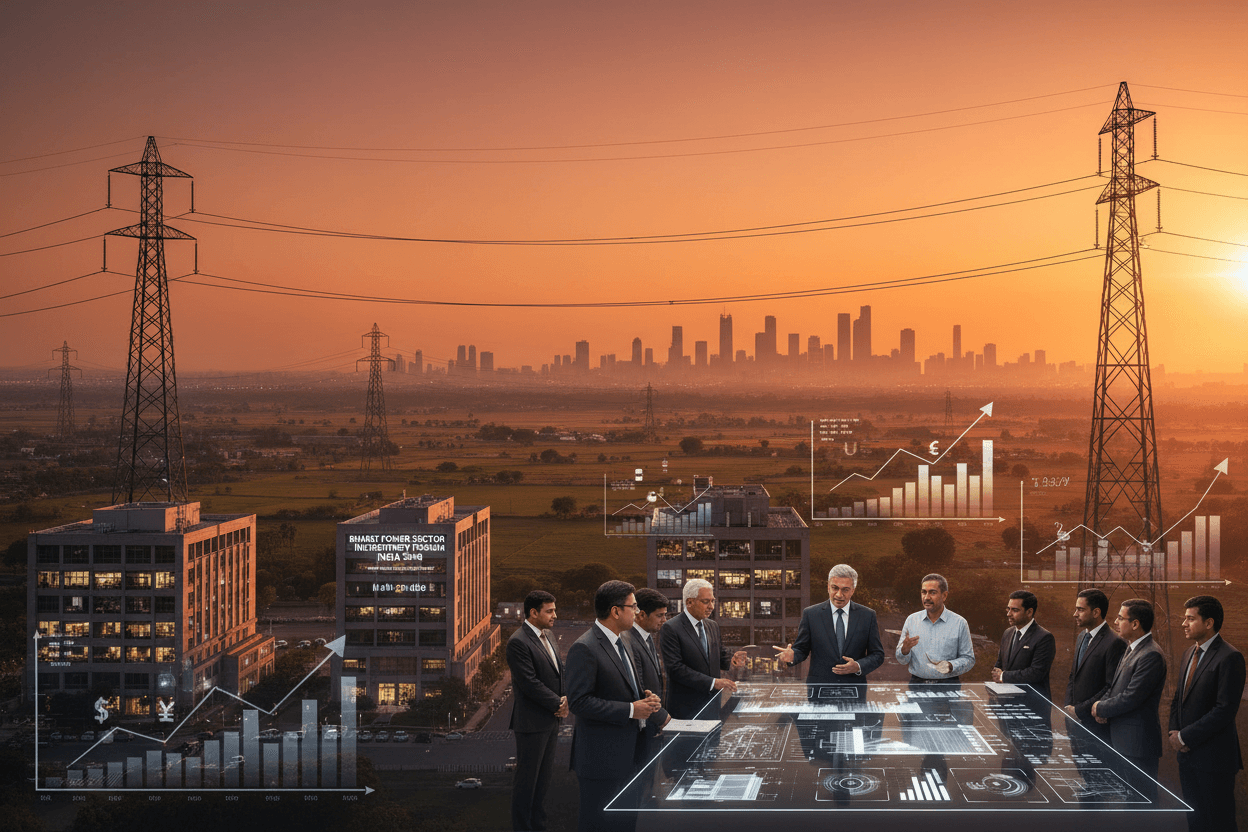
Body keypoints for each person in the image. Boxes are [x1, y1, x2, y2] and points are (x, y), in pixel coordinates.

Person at [567, 580, 665, 832]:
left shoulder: (626, 641)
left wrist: (646, 698)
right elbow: (579, 702)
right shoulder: (584, 647)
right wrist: (632, 710)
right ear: (615, 611)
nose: (636, 611)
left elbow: (626, 686)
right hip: (601, 762)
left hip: (630, 757)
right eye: (632, 606)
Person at [1168, 595, 1244, 832]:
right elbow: (1178, 698)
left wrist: (1184, 737)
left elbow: (1224, 710)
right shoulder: (1188, 654)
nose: (1184, 623)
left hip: (1214, 759)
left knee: (1219, 822)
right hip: (1188, 758)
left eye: (1190, 618)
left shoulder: (1230, 657)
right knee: (1195, 821)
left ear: (1209, 622)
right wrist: (1173, 730)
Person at [1092, 598, 1167, 796]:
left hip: (1138, 746)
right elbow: (1116, 686)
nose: (1115, 622)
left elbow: (1132, 697)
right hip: (1123, 741)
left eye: (1120, 618)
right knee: (1127, 804)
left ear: (1135, 624)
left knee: (1141, 807)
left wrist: (1101, 708)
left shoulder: (1151, 655)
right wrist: (1102, 706)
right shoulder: (1132, 647)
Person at [506, 590, 568, 831]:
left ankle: (538, 827)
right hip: (531, 724)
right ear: (533, 612)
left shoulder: (549, 635)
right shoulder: (518, 642)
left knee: (543, 783)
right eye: (549, 611)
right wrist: (558, 704)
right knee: (526, 784)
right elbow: (529, 683)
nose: (555, 615)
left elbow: (557, 672)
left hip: (551, 721)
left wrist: (564, 701)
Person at [774, 563, 885, 682]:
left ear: (853, 590)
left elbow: (877, 655)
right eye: (835, 588)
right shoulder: (811, 614)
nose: (839, 595)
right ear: (828, 587)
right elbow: (802, 649)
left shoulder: (867, 615)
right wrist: (793, 656)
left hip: (855, 689)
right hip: (818, 689)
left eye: (845, 590)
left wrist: (858, 666)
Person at [660, 578, 747, 719]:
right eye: (706, 601)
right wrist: (714, 683)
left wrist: (732, 660)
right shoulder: (670, 628)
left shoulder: (712, 625)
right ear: (689, 602)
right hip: (686, 710)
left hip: (712, 707)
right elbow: (675, 669)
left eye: (712, 601)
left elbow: (717, 654)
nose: (711, 606)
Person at [1064, 588, 1127, 743]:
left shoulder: (1115, 642)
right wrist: (1069, 707)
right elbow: (1074, 676)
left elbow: (1110, 686)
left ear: (1096, 612)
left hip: (1096, 727)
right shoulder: (1081, 637)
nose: (1075, 614)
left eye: (1080, 609)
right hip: (1075, 722)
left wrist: (1079, 710)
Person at [894, 573, 975, 684]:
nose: (927, 597)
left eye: (932, 592)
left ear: (944, 595)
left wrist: (951, 666)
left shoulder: (959, 623)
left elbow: (969, 659)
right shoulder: (911, 620)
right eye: (924, 592)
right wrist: (904, 650)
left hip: (949, 684)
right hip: (917, 684)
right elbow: (901, 660)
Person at [622, 587, 671, 762]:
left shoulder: (647, 637)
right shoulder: (627, 641)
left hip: (650, 726)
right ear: (641, 615)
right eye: (660, 615)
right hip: (639, 730)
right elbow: (639, 686)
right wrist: (662, 717)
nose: (664, 620)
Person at [991, 589, 1056, 700]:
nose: (1008, 614)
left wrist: (1003, 676)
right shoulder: (1007, 633)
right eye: (1008, 609)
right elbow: (1000, 663)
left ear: (1029, 612)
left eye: (1015, 610)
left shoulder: (1044, 637)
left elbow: (1036, 673)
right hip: (1005, 701)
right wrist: (997, 672)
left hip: (1033, 704)